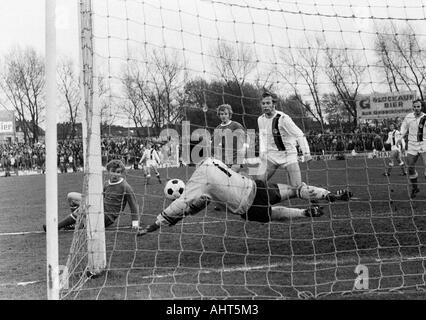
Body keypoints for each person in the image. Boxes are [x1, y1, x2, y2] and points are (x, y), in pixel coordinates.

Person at [137, 158, 352, 236]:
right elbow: (231, 170)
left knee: (273, 215)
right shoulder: (213, 161)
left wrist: (157, 223)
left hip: (246, 206)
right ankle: (329, 195)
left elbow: (180, 205)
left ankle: (306, 213)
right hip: (255, 186)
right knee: (294, 190)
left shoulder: (196, 184)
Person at [43, 159, 140, 231]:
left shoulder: (125, 186)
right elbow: (99, 197)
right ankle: (76, 223)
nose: (115, 174)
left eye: (118, 172)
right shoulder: (107, 183)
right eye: (113, 171)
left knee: (86, 206)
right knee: (71, 196)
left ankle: (56, 227)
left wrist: (135, 223)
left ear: (122, 173)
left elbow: (134, 205)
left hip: (107, 217)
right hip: (100, 209)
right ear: (108, 172)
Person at [255, 90, 312, 187]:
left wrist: (306, 153)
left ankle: (318, 195)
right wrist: (262, 154)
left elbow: (299, 134)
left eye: (268, 103)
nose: (265, 106)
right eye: (263, 103)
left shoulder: (283, 118)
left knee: (296, 187)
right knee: (258, 183)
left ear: (274, 104)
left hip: (288, 155)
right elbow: (263, 137)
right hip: (272, 156)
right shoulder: (260, 119)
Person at [399, 99, 426, 198]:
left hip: (424, 144)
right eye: (414, 106)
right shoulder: (408, 117)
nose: (416, 108)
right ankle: (415, 188)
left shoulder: (425, 117)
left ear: (421, 107)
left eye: (418, 106)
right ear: (412, 107)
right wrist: (400, 137)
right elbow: (404, 128)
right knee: (410, 167)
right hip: (411, 145)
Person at [213, 104, 247, 172]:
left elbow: (244, 141)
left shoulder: (236, 126)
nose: (223, 116)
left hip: (236, 157)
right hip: (223, 159)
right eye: (221, 114)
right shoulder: (218, 128)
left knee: (232, 177)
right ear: (219, 115)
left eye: (226, 114)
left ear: (229, 114)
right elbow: (214, 145)